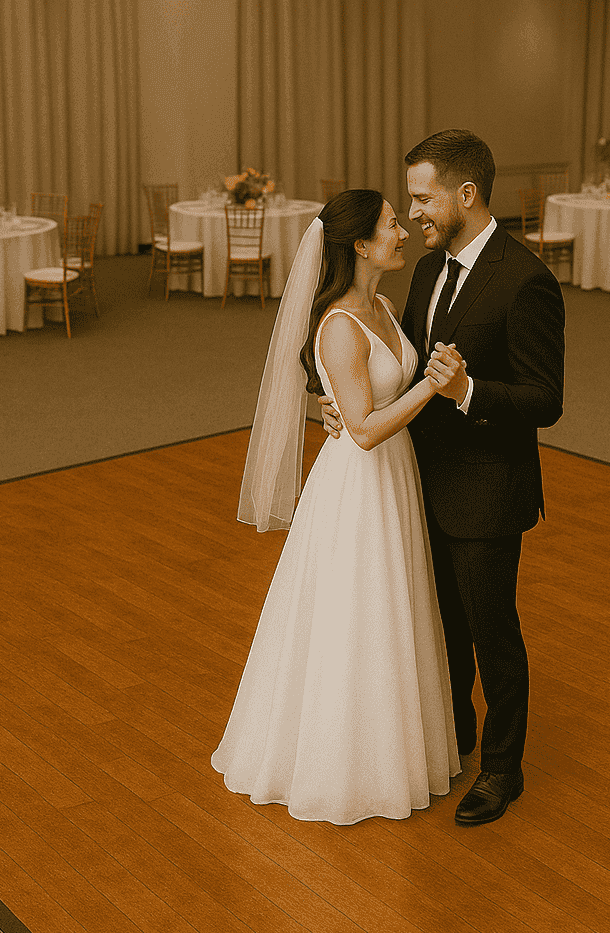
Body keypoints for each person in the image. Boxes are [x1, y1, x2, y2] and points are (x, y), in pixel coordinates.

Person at [321, 130, 565, 825]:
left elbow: (546, 399)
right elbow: (390, 358)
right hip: (414, 482)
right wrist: (336, 401)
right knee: (442, 626)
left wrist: (466, 391)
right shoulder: (427, 270)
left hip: (488, 489)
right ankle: (453, 737)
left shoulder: (526, 281)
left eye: (423, 198)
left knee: (493, 634)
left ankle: (501, 769)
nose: (413, 211)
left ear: (465, 195)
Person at [211, 189, 465, 825]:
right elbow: (365, 429)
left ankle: (396, 750)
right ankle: (343, 767)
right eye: (389, 225)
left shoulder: (380, 304)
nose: (403, 232)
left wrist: (331, 403)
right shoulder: (338, 324)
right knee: (355, 614)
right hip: (360, 483)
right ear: (359, 244)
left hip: (393, 478)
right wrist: (434, 386)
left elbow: (353, 401)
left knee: (391, 609)